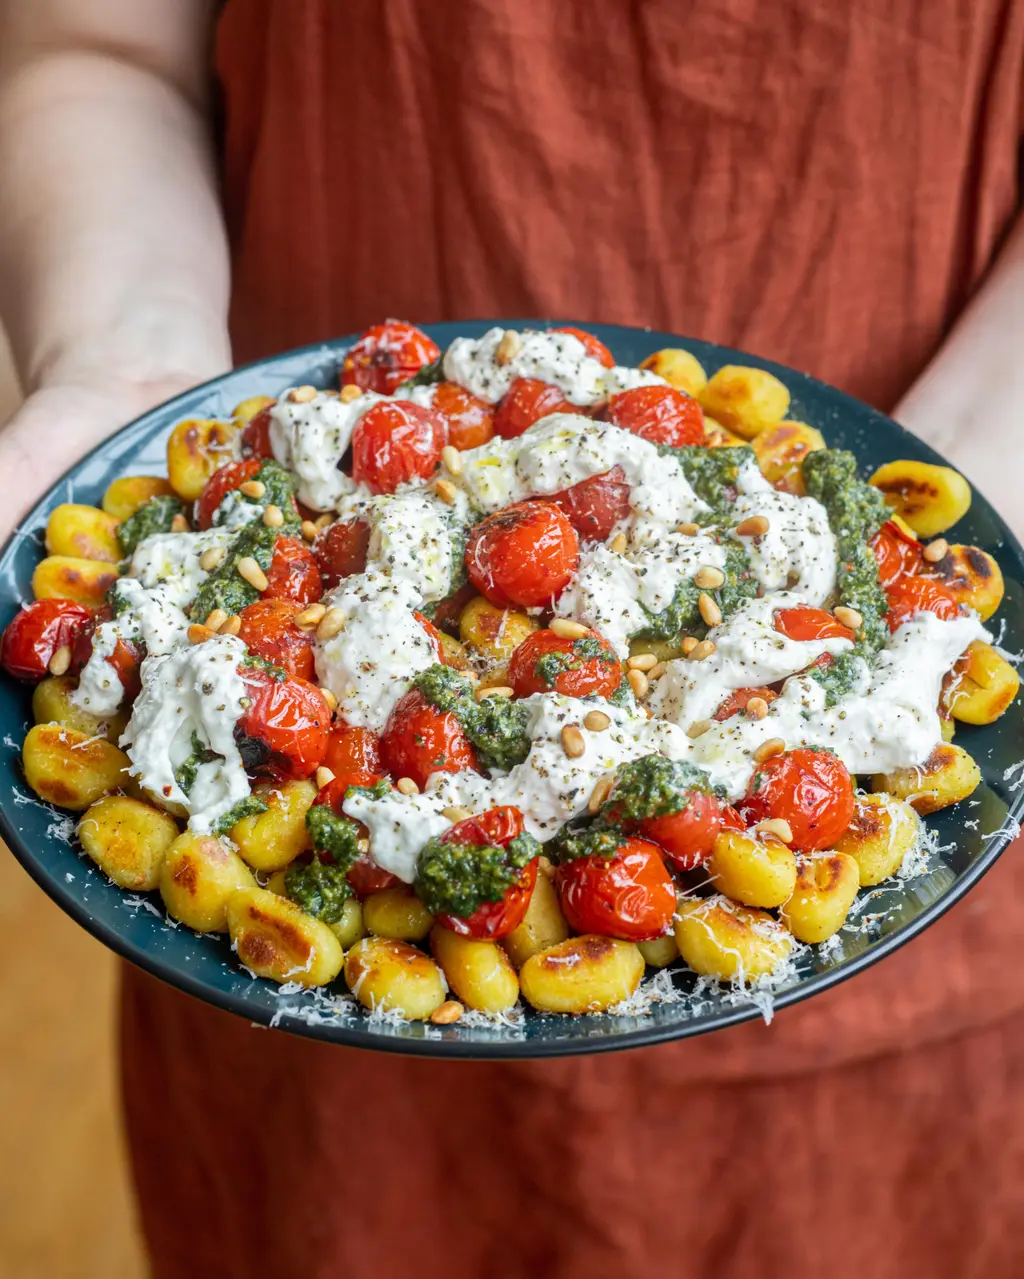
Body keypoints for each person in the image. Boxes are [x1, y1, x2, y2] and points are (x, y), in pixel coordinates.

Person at [2, 3, 1024, 1276]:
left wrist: (966, 478)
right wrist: (120, 368)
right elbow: (100, 44)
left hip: (875, 1042)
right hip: (301, 1026)